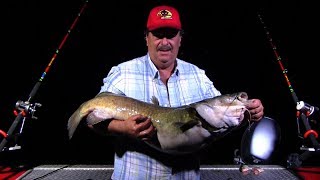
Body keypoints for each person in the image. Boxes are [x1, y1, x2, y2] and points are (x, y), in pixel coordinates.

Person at [89, 4, 264, 180]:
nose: (165, 42)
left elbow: (219, 120)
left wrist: (246, 116)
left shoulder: (198, 75)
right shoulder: (122, 72)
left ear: (180, 39)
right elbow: (91, 120)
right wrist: (123, 128)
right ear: (146, 37)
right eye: (158, 34)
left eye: (171, 35)